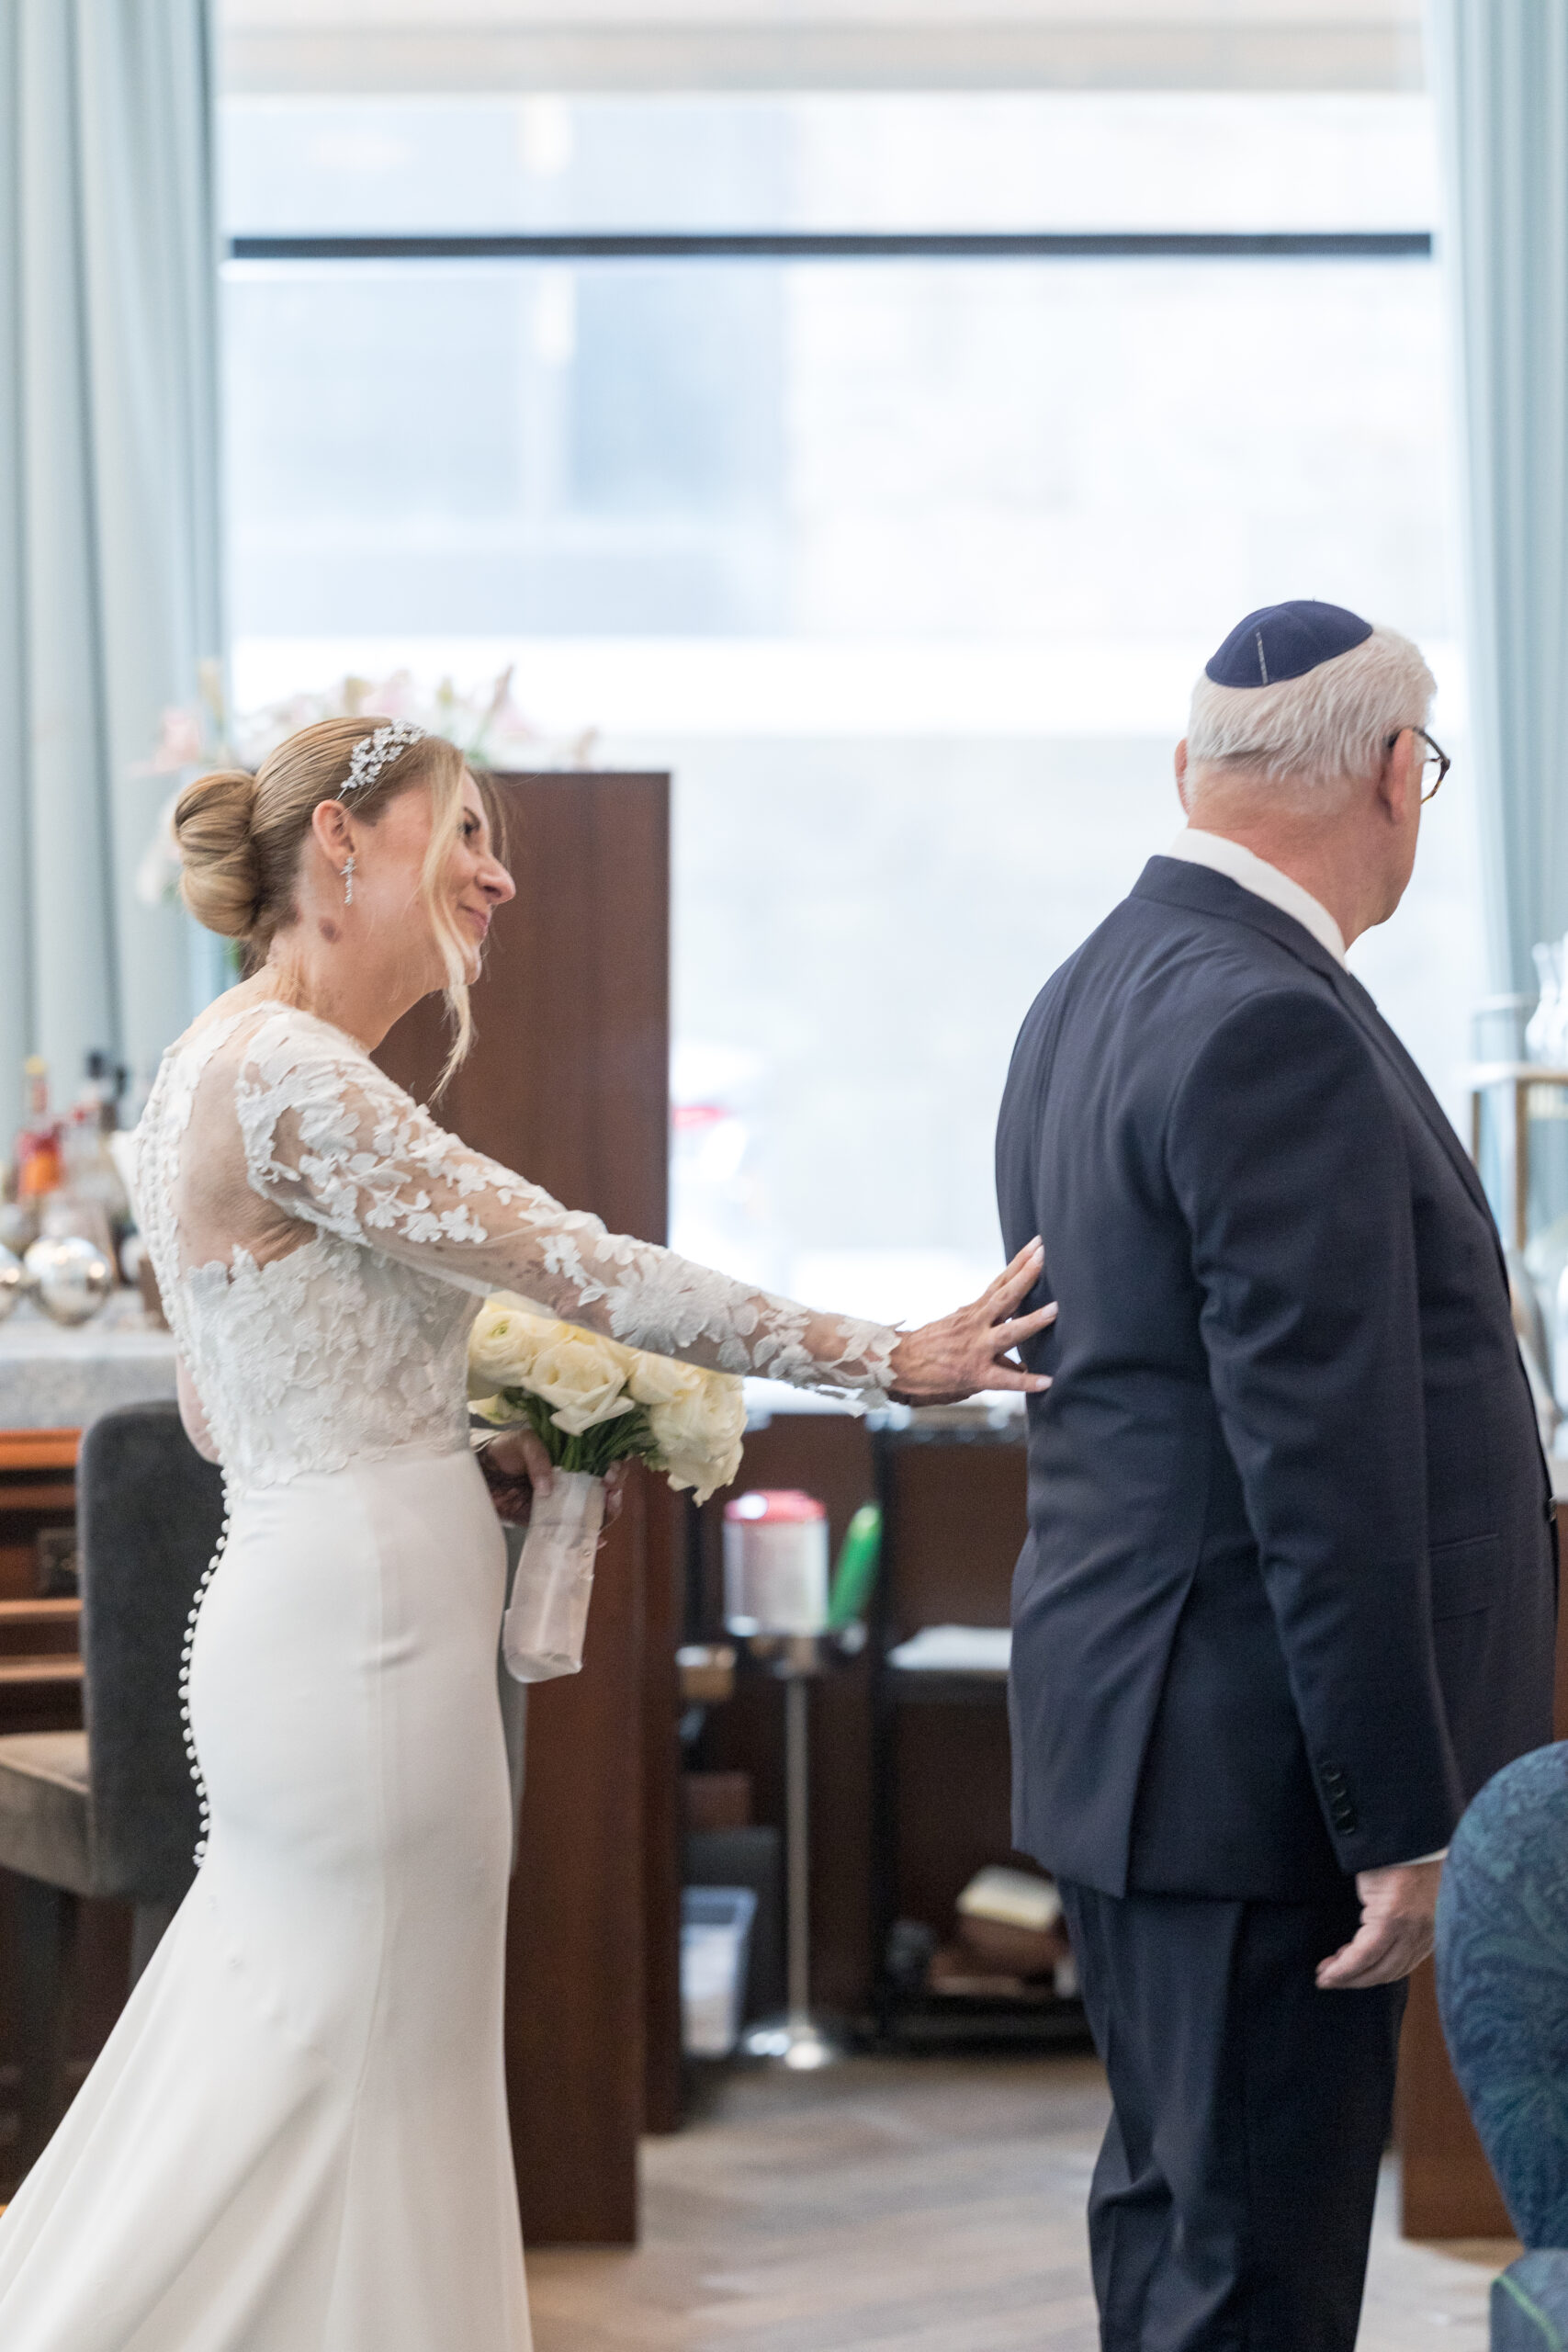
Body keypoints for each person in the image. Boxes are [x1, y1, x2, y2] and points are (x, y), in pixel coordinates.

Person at [0, 717, 1055, 2351]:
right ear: (343, 846)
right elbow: (580, 1266)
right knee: (323, 2058)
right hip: (355, 1636)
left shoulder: (217, 1058)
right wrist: (885, 1359)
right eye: (465, 832)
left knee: (359, 2060)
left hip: (331, 1593)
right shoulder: (289, 1073)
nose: (502, 871)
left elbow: (229, 1417)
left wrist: (462, 1441)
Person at [995, 601, 1556, 2352]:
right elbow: (1320, 1462)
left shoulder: (1087, 986)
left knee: (1174, 2221)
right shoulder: (1273, 1021)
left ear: (1196, 771)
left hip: (1134, 1730)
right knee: (1250, 2272)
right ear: (1400, 775)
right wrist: (1394, 1812)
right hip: (1257, 1766)